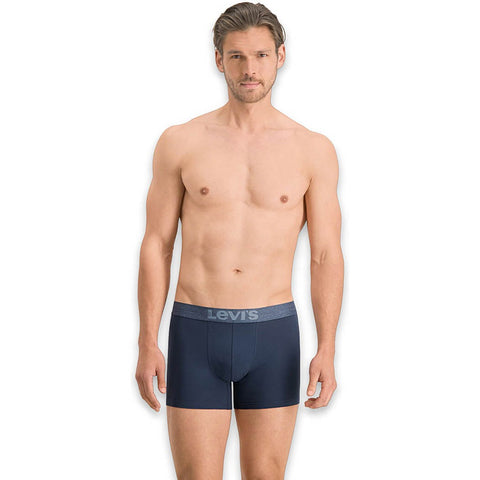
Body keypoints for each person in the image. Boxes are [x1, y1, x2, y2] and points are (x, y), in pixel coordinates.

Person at [135, 2, 344, 478]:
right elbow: (157, 245)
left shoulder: (312, 149)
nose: (250, 69)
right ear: (218, 60)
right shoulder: (181, 141)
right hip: (194, 330)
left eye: (261, 55)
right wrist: (147, 341)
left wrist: (328, 347)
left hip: (274, 333)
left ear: (280, 56)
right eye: (237, 57)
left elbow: (325, 255)